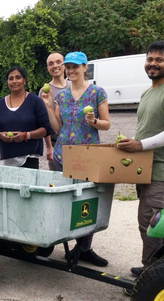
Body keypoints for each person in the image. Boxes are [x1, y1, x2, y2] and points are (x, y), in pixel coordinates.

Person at [117, 40, 164, 278]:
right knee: (148, 222)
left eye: (159, 60)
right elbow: (149, 128)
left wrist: (140, 145)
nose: (153, 64)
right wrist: (134, 141)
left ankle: (156, 276)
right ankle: (154, 265)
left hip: (163, 168)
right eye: (150, 59)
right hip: (145, 167)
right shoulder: (149, 92)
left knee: (152, 223)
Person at [45, 51, 111, 267]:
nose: (71, 70)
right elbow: (57, 127)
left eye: (76, 66)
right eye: (69, 67)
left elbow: (107, 123)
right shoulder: (61, 96)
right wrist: (47, 105)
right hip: (63, 154)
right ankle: (69, 243)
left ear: (85, 68)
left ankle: (84, 247)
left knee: (87, 202)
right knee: (66, 200)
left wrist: (94, 121)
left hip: (88, 155)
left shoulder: (97, 93)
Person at [0, 65, 52, 169]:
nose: (14, 81)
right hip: (7, 159)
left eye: (18, 77)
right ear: (7, 82)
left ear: (25, 81)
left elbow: (46, 129)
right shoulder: (0, 104)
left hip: (29, 158)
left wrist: (26, 135)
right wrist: (0, 135)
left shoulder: (35, 101)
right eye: (11, 78)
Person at [38, 53, 71, 170]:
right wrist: (49, 147)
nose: (55, 66)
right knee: (58, 182)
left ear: (64, 65)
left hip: (76, 143)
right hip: (56, 143)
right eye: (50, 64)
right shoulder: (44, 91)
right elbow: (43, 122)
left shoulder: (74, 86)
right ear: (48, 68)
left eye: (58, 62)